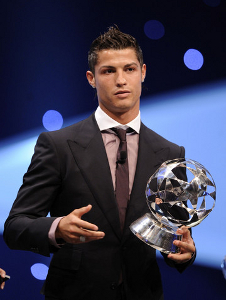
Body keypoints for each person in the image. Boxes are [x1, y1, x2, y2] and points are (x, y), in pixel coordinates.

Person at [4, 26, 196, 300]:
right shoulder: (58, 145)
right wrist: (56, 228)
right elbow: (15, 226)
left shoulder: (169, 151)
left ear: (142, 72)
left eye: (129, 69)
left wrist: (184, 252)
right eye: (109, 71)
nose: (121, 80)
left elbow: (171, 235)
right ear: (91, 78)